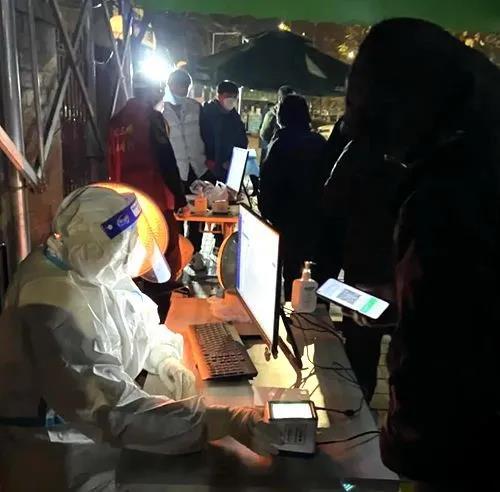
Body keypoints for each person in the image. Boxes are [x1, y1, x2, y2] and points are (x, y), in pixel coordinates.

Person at [0, 185, 281, 490]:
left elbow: (136, 319)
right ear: (96, 249)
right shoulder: (53, 307)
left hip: (97, 433)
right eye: (124, 250)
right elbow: (114, 411)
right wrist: (222, 420)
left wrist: (165, 358)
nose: (129, 258)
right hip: (63, 453)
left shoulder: (87, 264)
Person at [345, 18, 500, 487]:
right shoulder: (474, 144)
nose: (394, 158)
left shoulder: (452, 190)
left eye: (392, 145)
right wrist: (401, 298)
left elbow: (439, 348)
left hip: (461, 451)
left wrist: (401, 445)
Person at [322, 136, 406, 402]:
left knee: (362, 345)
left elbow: (331, 197)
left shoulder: (359, 149)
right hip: (389, 263)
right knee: (380, 345)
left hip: (366, 260)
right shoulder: (411, 158)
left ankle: (358, 403)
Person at [108, 72, 187, 316]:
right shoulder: (152, 119)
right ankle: (161, 312)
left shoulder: (116, 121)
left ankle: (136, 309)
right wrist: (180, 197)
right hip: (154, 201)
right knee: (164, 256)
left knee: (134, 257)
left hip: (125, 201)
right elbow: (166, 160)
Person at [259, 94, 326, 299]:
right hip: (317, 220)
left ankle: (291, 308)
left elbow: (268, 184)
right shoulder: (319, 142)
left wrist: (267, 214)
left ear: (282, 116)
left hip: (287, 220)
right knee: (313, 275)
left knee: (291, 273)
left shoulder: (279, 144)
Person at [164, 69, 215, 272]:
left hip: (197, 167)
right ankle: (178, 253)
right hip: (175, 169)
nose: (183, 90)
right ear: (170, 86)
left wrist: (209, 160)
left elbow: (207, 134)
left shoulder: (195, 107)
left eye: (186, 87)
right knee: (178, 212)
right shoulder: (161, 110)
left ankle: (195, 253)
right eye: (180, 86)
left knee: (198, 213)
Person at [201, 80, 248, 182]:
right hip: (207, 166)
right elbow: (202, 139)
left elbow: (242, 141)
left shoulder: (235, 117)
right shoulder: (206, 113)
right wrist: (209, 159)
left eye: (234, 97)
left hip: (229, 168)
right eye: (228, 96)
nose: (231, 99)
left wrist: (233, 160)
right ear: (218, 95)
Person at [259, 85, 295, 154]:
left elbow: (263, 134)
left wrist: (273, 142)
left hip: (275, 149)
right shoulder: (295, 113)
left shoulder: (271, 113)